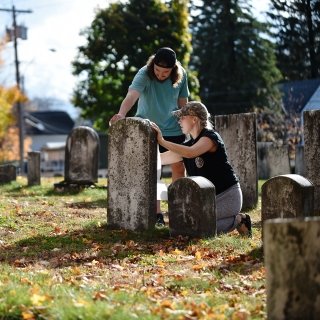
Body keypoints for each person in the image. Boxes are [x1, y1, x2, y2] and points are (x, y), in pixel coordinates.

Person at [109, 47, 190, 226]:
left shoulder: (182, 74)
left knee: (179, 168)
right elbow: (132, 95)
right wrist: (121, 114)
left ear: (173, 70)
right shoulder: (144, 73)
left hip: (173, 129)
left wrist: (189, 125)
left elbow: (183, 103)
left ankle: (177, 210)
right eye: (157, 71)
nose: (160, 75)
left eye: (165, 72)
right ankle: (157, 213)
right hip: (149, 128)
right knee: (156, 172)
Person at [151, 101, 252, 237]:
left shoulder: (210, 137)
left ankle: (239, 220)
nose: (179, 121)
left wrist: (162, 141)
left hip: (228, 196)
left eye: (182, 117)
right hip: (206, 199)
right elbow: (161, 159)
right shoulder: (188, 145)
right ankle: (234, 220)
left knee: (199, 228)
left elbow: (190, 152)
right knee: (189, 225)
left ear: (194, 119)